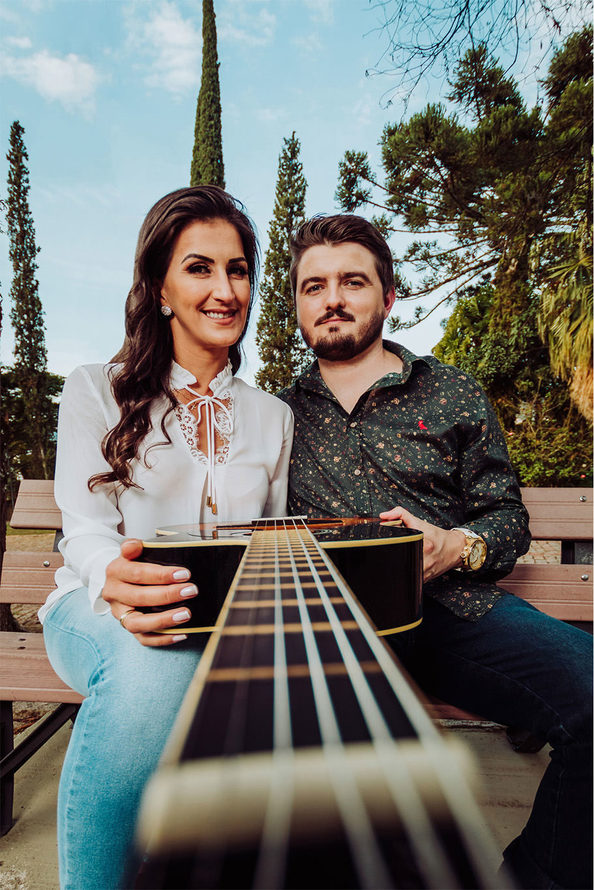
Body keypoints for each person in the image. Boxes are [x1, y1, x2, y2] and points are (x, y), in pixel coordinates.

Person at [277, 213, 592, 889]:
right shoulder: (276, 415)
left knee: (592, 691)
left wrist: (457, 545)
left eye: (353, 281)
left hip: (447, 610)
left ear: (388, 296)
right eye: (314, 286)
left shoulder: (450, 390)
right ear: (298, 305)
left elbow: (506, 516)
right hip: (326, 627)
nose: (332, 299)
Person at [41, 185, 293, 889]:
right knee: (156, 671)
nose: (225, 290)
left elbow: (269, 540)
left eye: (238, 270)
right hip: (93, 608)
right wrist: (116, 582)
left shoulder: (273, 417)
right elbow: (83, 532)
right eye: (199, 268)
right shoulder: (96, 389)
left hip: (222, 626)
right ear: (159, 288)